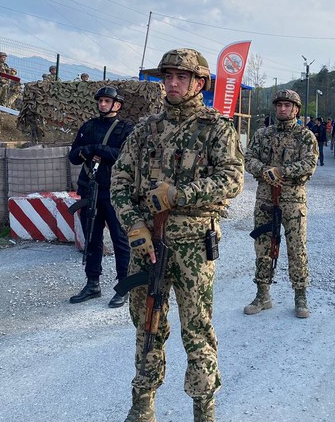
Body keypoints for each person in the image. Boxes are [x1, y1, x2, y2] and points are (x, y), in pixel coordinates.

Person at [111, 48, 244, 421]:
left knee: (196, 329)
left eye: (181, 77)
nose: (171, 83)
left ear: (199, 83)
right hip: (147, 243)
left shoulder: (217, 128)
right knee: (147, 326)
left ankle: (204, 410)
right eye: (167, 76)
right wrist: (133, 224)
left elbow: (232, 179)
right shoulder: (145, 129)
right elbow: (119, 180)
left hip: (193, 245)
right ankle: (142, 406)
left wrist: (181, 194)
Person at [243, 89, 318, 319]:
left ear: (296, 109)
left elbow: (310, 163)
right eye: (279, 105)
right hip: (265, 199)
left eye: (288, 105)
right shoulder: (263, 134)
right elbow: (248, 159)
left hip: (293, 200)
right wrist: (265, 171)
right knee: (263, 246)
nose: (283, 109)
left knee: (296, 249)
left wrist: (282, 171)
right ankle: (262, 294)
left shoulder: (305, 136)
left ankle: (300, 296)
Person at [68, 86, 134, 307]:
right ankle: (92, 283)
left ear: (117, 104)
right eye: (101, 101)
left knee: (120, 240)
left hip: (115, 192)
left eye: (107, 101)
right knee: (92, 239)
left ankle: (123, 286)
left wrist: (98, 149)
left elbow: (126, 157)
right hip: (90, 190)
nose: (103, 105)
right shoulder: (88, 126)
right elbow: (73, 156)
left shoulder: (125, 128)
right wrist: (86, 151)